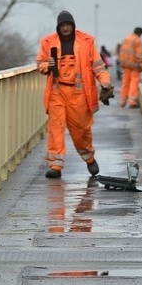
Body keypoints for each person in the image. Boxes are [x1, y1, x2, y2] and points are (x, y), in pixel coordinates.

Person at [36, 10, 113, 178]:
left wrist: (105, 81)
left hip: (79, 95)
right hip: (57, 92)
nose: (65, 28)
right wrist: (47, 65)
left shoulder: (86, 42)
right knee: (55, 129)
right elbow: (40, 64)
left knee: (81, 132)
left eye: (68, 25)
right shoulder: (48, 42)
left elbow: (98, 66)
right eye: (62, 26)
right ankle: (55, 165)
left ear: (72, 26)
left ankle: (89, 158)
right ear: (58, 27)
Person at [118, 26, 142, 107]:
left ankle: (122, 101)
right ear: (140, 34)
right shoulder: (137, 40)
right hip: (134, 65)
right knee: (134, 82)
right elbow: (139, 55)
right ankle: (132, 101)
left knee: (125, 82)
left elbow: (121, 52)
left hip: (125, 65)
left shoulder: (126, 39)